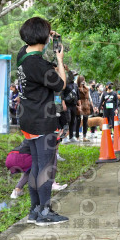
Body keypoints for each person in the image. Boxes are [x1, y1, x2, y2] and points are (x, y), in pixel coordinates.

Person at [16, 16, 69, 226]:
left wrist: (45, 36)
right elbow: (61, 84)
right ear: (44, 37)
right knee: (45, 166)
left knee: (37, 165)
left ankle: (35, 210)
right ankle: (45, 211)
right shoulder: (39, 65)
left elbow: (31, 47)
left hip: (28, 119)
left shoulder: (23, 55)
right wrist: (60, 60)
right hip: (43, 120)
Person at [76, 75, 92, 141]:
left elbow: (88, 97)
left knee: (85, 121)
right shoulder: (76, 88)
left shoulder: (86, 88)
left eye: (84, 80)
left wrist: (90, 104)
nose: (83, 82)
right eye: (82, 80)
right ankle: (77, 136)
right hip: (79, 105)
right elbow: (77, 97)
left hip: (86, 106)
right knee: (78, 121)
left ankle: (84, 136)